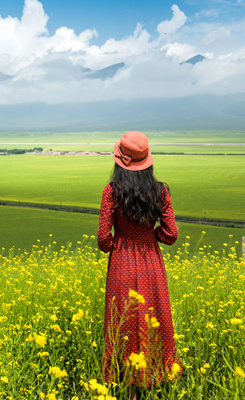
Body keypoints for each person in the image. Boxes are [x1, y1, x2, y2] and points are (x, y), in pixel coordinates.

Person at [97, 131, 182, 398]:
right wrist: (150, 237)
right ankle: (153, 381)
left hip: (122, 262)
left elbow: (102, 238)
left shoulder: (112, 191)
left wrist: (118, 244)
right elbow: (171, 234)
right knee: (153, 320)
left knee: (123, 322)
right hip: (151, 263)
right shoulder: (161, 190)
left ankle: (128, 388)